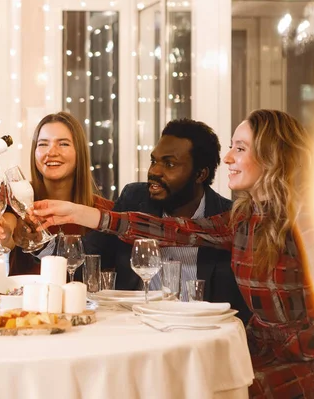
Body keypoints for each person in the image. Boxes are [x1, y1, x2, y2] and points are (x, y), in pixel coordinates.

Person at [33, 109, 314, 398]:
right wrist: (82, 214)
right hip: (255, 350)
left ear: (272, 156)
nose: (229, 158)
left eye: (241, 148)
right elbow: (172, 230)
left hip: (302, 364)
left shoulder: (309, 222)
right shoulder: (243, 218)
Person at [85, 119, 250, 322]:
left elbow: (176, 232)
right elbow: (88, 255)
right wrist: (42, 243)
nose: (154, 171)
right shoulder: (134, 198)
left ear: (200, 174)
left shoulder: (229, 218)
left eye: (169, 164)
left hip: (200, 332)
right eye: (154, 161)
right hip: (135, 327)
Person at [0, 112, 113, 275]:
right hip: (25, 297)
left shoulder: (103, 211)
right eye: (43, 144)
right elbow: (9, 229)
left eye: (63, 144)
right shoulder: (15, 195)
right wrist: (3, 233)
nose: (52, 152)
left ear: (80, 152)